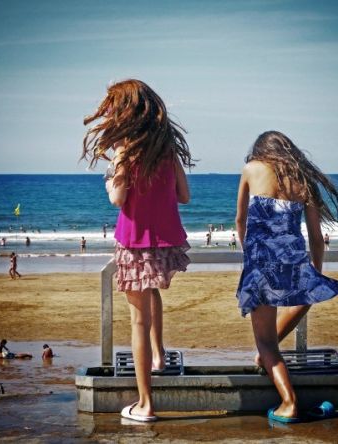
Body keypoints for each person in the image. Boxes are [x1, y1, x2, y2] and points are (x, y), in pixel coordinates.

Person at [82, 79, 194, 422]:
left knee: (137, 321)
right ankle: (159, 357)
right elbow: (184, 195)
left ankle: (145, 404)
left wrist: (109, 179)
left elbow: (118, 199)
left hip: (133, 242)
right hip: (163, 240)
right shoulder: (167, 150)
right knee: (150, 297)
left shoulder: (126, 151)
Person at [235, 131, 338, 423]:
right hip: (292, 260)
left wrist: (248, 253)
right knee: (310, 295)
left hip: (260, 262)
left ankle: (288, 403)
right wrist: (316, 271)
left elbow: (240, 221)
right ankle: (267, 359)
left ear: (261, 151)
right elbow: (316, 237)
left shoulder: (251, 169)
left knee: (266, 342)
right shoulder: (303, 180)